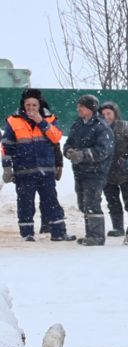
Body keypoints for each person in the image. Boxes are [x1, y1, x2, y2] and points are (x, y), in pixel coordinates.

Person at [3, 88, 69, 241]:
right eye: (28, 105)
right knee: (25, 203)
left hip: (46, 169)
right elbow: (6, 146)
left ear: (39, 105)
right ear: (23, 105)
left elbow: (56, 138)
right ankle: (27, 234)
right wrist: (7, 167)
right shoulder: (13, 121)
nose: (31, 108)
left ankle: (58, 232)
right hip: (23, 171)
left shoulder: (50, 119)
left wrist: (42, 122)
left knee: (51, 202)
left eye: (34, 105)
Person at [62, 94, 116, 247]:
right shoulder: (77, 125)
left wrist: (83, 155)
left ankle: (96, 236)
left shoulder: (101, 126)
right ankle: (89, 234)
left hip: (96, 172)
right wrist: (69, 152)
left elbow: (103, 151)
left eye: (82, 106)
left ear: (91, 109)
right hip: (79, 171)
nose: (78, 109)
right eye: (78, 106)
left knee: (92, 203)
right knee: (83, 204)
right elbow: (68, 143)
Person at [98, 101, 128, 241]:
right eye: (103, 114)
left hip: (127, 171)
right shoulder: (98, 129)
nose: (106, 116)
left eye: (109, 113)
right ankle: (117, 227)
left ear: (115, 114)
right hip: (107, 173)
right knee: (112, 200)